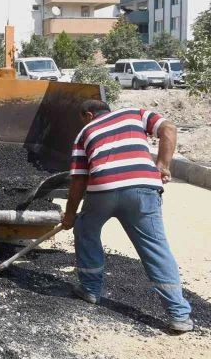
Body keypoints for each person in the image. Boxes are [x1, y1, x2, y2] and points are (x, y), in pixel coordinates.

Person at [61, 99, 193, 332]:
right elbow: (168, 129)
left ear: (88, 115)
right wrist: (162, 165)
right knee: (154, 247)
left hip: (103, 191)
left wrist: (70, 215)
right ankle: (178, 315)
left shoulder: (84, 133)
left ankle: (91, 290)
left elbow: (79, 179)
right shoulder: (134, 113)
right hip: (142, 189)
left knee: (85, 229)